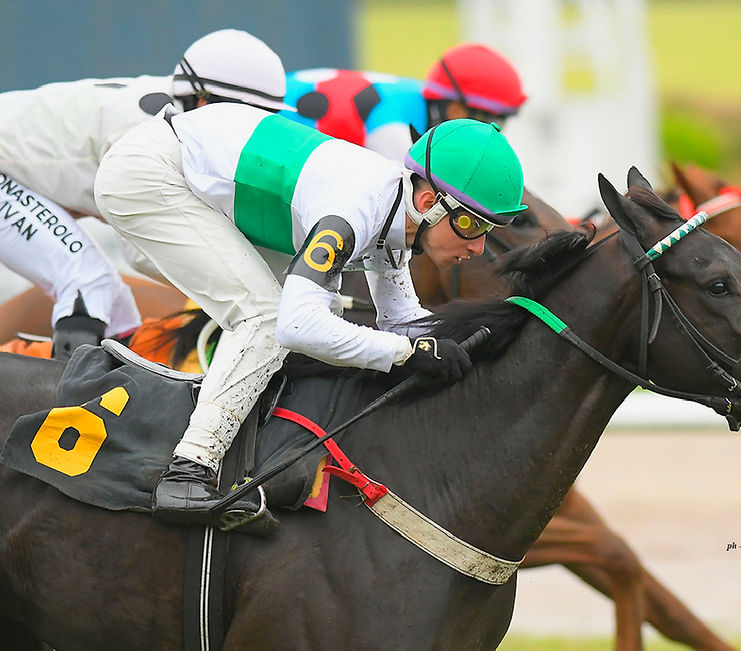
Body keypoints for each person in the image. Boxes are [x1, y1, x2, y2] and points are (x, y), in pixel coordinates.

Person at [93, 102, 526, 526]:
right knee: (267, 318)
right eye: (471, 226)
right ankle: (189, 472)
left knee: (324, 311)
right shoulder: (357, 210)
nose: (478, 248)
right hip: (150, 176)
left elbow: (404, 323)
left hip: (197, 174)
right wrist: (405, 353)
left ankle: (245, 453)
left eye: (488, 231)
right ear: (429, 200)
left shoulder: (396, 214)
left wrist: (491, 339)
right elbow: (298, 327)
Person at [0, 29, 287, 360]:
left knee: (120, 313)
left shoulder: (181, 113)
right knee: (88, 283)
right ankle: (67, 400)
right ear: (203, 100)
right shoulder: (155, 130)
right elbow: (140, 249)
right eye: (240, 114)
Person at [282, 42, 526, 163]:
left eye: (498, 121)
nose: (490, 131)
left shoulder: (419, 101)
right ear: (452, 106)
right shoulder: (395, 127)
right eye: (487, 119)